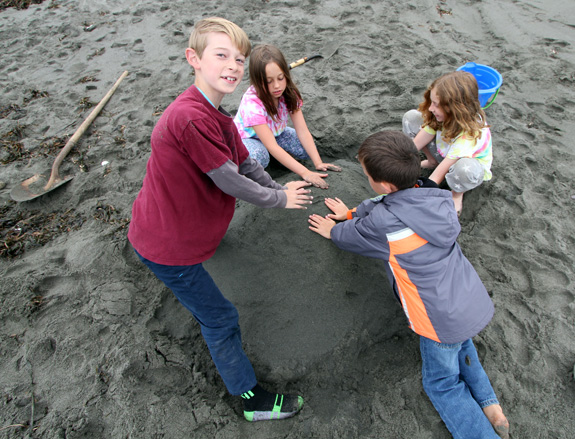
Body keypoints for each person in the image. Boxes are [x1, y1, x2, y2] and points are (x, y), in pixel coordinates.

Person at [128, 17, 310, 422]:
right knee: (220, 317)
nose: (232, 65)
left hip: (174, 220)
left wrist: (282, 187)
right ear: (194, 58)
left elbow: (244, 161)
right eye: (221, 55)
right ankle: (250, 399)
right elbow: (229, 180)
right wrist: (278, 199)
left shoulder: (216, 114)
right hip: (168, 246)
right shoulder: (190, 119)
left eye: (238, 58)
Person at [307, 131, 509, 439]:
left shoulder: (385, 226)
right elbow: (384, 205)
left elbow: (356, 235)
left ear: (384, 184)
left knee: (442, 384)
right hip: (467, 299)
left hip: (437, 318)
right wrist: (350, 212)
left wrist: (334, 230)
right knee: (463, 344)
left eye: (367, 175)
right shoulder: (433, 195)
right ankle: (490, 405)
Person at [234, 44, 341, 189]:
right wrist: (305, 173)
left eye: (280, 78)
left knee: (303, 149)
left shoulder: (289, 93)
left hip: (276, 132)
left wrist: (318, 162)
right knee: (260, 156)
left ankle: (280, 160)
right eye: (269, 81)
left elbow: (302, 130)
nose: (277, 86)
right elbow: (271, 146)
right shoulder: (252, 104)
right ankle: (241, 167)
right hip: (248, 138)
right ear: (257, 81)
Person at [402, 71, 493, 215]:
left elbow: (436, 178)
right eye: (431, 102)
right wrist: (399, 159)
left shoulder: (469, 134)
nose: (431, 108)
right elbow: (419, 140)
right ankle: (431, 161)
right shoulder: (441, 115)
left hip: (465, 166)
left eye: (436, 105)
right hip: (444, 151)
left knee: (464, 169)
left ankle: (457, 194)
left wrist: (415, 196)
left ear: (455, 109)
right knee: (412, 118)